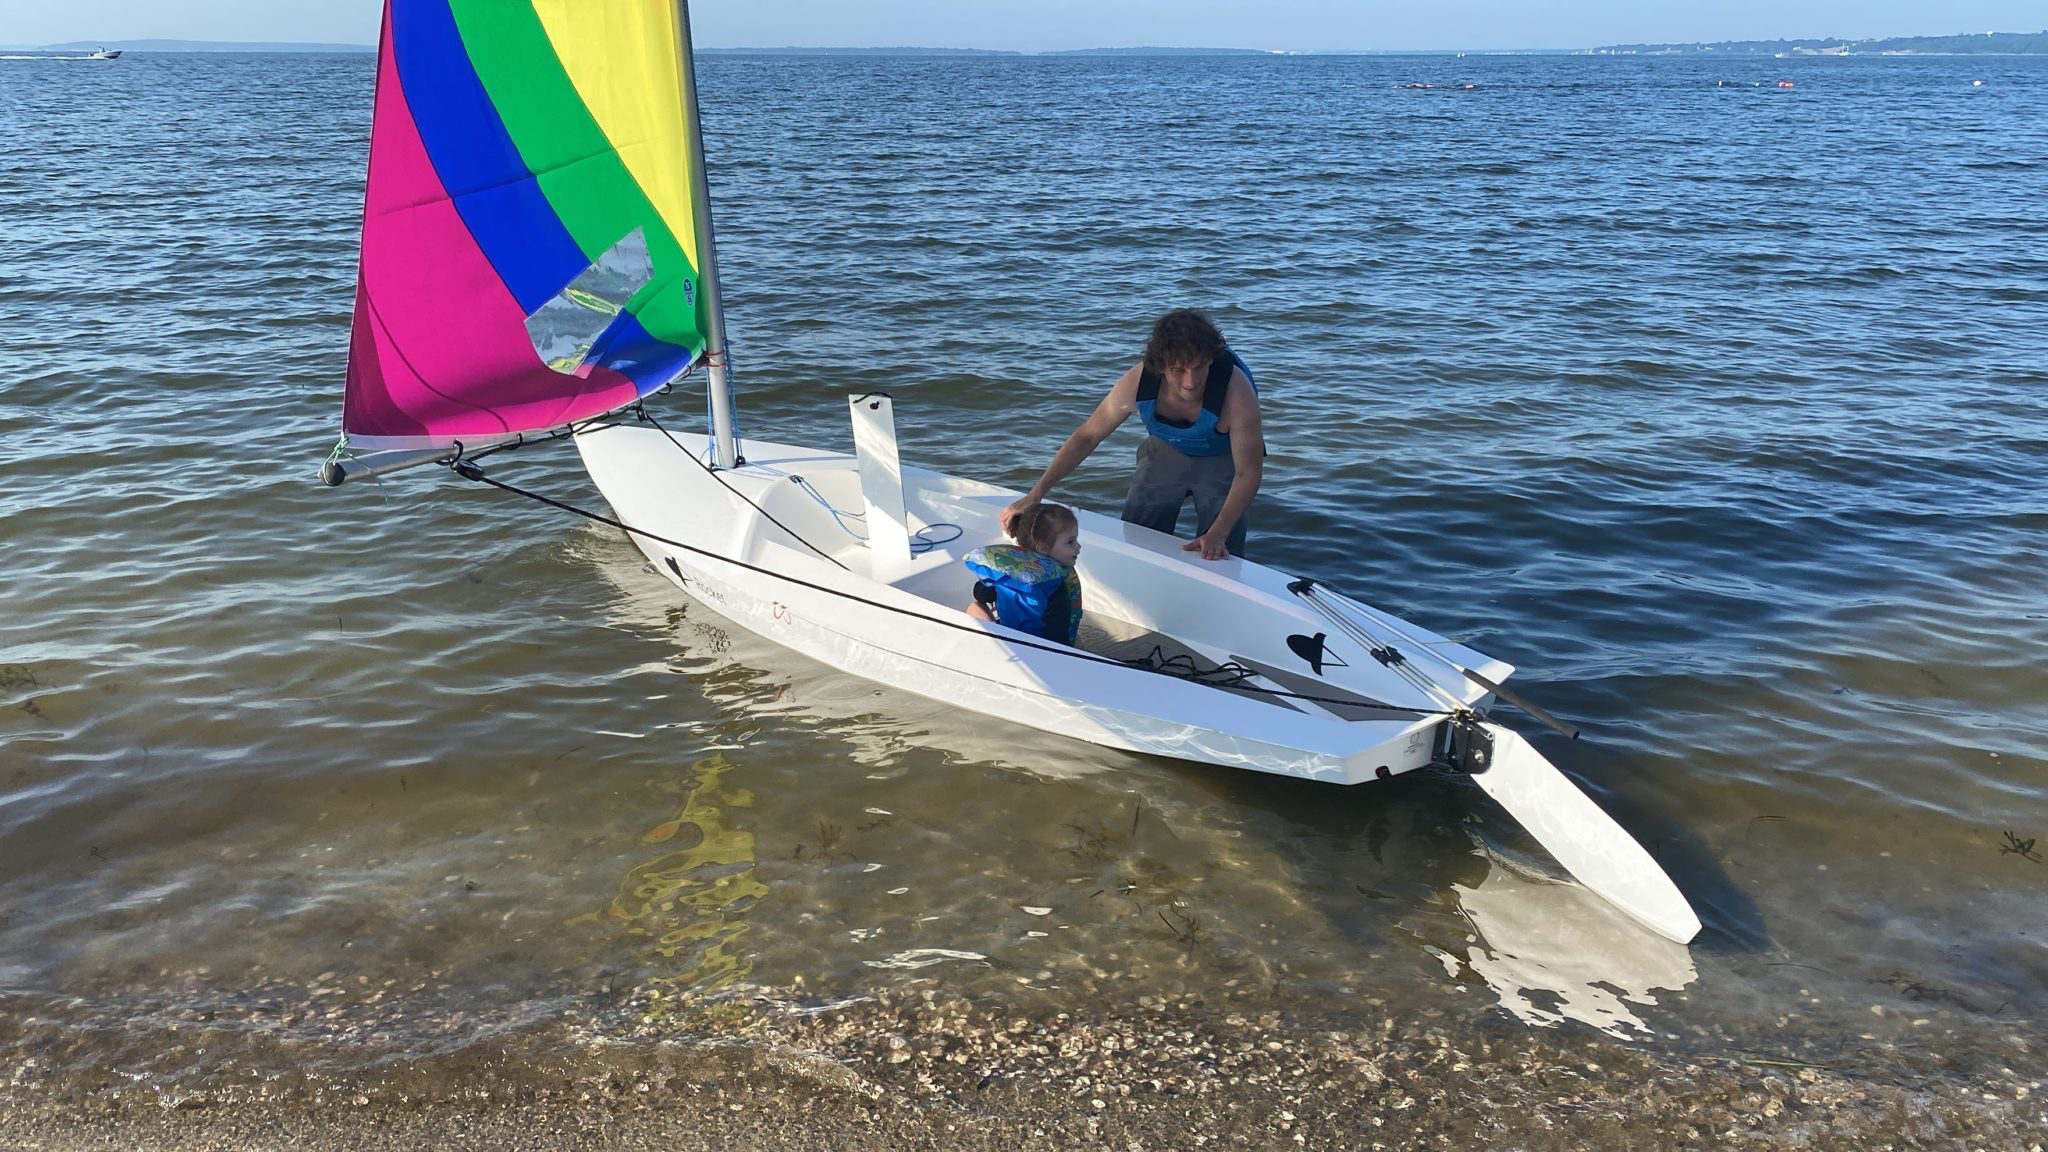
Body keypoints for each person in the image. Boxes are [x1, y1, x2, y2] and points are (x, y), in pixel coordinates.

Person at [1002, 309, 1262, 560]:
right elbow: (1088, 436)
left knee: (1219, 547)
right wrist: (1035, 494)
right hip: (1166, 450)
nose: (1191, 382)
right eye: (1178, 370)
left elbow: (1248, 472)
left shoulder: (1236, 392)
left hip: (1222, 456)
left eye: (1199, 367)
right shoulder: (1138, 383)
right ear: (1161, 366)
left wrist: (1218, 532)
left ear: (1211, 360)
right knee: (1139, 535)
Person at [964, 502, 1084, 645]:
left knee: (974, 607)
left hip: (1007, 637)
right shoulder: (1056, 587)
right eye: (1071, 542)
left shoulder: (1010, 573)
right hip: (1037, 648)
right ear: (1043, 548)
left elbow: (980, 593)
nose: (1078, 546)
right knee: (1078, 641)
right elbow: (1057, 637)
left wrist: (999, 596)